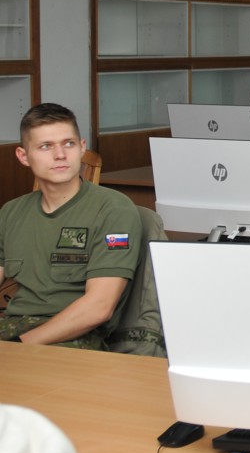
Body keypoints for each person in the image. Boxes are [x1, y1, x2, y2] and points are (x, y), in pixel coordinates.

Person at [0, 103, 143, 349]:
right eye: (46, 146)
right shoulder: (11, 212)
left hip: (72, 337)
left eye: (68, 143)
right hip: (13, 327)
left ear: (82, 147)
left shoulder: (113, 210)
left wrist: (21, 345)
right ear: (23, 156)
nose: (60, 155)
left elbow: (99, 307)